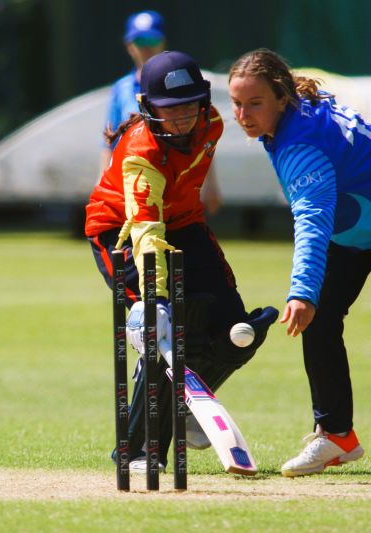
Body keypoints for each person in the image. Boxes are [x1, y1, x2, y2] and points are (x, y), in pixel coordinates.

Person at [228, 48, 371, 484]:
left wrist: (302, 292)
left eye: (254, 103)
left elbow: (312, 222)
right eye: (236, 103)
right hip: (355, 226)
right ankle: (336, 435)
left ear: (282, 98)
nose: (243, 115)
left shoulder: (301, 146)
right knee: (320, 320)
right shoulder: (293, 117)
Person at [86, 50, 278, 472]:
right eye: (169, 109)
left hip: (184, 223)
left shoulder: (212, 124)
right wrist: (154, 300)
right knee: (163, 332)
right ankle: (137, 450)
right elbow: (146, 231)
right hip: (121, 231)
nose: (181, 118)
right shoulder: (141, 152)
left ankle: (189, 405)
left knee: (238, 331)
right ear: (148, 107)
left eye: (189, 106)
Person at [100, 10, 222, 215]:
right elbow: (109, 141)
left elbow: (201, 136)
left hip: (175, 180)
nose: (146, 47)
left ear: (163, 42)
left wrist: (211, 183)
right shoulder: (121, 88)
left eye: (152, 39)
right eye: (140, 41)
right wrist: (102, 182)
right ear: (129, 46)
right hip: (132, 181)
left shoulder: (182, 82)